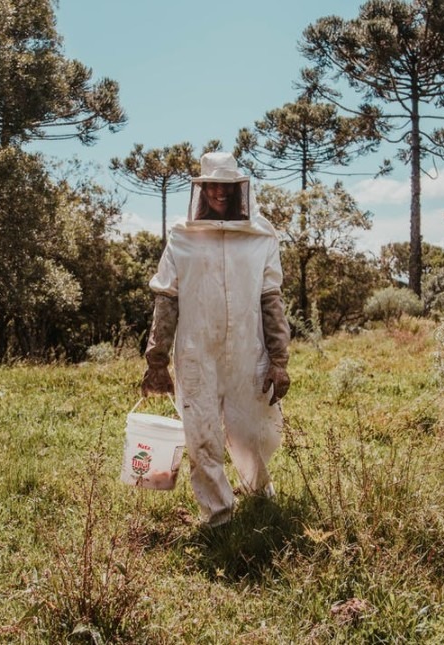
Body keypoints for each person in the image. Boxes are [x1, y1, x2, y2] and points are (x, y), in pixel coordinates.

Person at [141, 151, 291, 527]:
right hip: (196, 353)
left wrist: (279, 360)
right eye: (212, 186)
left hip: (247, 350)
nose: (219, 193)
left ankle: (259, 493)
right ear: (202, 190)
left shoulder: (261, 234)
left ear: (238, 189)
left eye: (226, 186)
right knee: (202, 434)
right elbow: (167, 297)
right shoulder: (183, 235)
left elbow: (270, 299)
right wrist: (156, 360)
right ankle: (219, 514)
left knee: (251, 430)